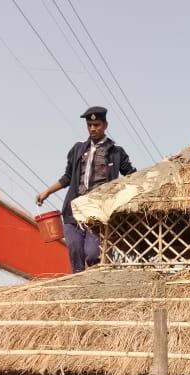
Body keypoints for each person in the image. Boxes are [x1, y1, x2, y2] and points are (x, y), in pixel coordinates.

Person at [36, 106, 137, 272]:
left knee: (92, 253)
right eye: (90, 125)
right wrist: (46, 192)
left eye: (96, 125)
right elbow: (67, 177)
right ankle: (78, 281)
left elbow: (131, 175)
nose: (92, 129)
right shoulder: (78, 150)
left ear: (105, 125)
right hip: (73, 210)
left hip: (98, 211)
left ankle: (94, 282)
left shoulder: (116, 153)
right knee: (75, 250)